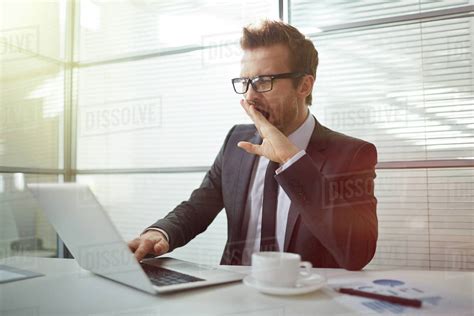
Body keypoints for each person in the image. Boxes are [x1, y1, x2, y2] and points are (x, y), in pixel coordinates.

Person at [128, 20, 378, 270]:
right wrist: (159, 233)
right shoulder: (237, 140)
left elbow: (357, 253)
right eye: (245, 82)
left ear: (304, 85)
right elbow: (199, 206)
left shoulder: (352, 154)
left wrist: (292, 160)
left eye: (262, 81)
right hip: (236, 298)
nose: (249, 96)